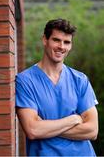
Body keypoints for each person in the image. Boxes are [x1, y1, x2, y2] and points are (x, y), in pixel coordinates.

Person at [16, 18, 98, 156]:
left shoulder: (80, 80)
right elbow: (33, 130)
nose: (61, 46)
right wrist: (73, 120)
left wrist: (46, 127)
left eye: (67, 42)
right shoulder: (25, 81)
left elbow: (92, 130)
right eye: (56, 40)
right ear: (45, 40)